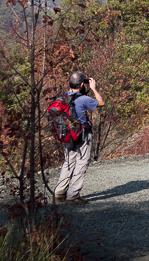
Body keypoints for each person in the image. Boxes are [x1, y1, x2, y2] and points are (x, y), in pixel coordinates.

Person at [54, 71, 104, 204]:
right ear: (82, 84)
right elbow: (101, 102)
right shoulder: (83, 99)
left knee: (69, 163)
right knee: (81, 163)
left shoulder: (63, 97)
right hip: (82, 134)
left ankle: (59, 193)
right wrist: (93, 88)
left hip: (68, 133)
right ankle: (73, 196)